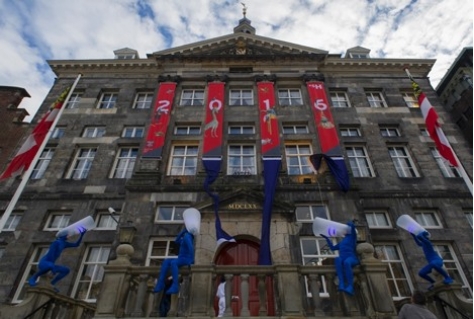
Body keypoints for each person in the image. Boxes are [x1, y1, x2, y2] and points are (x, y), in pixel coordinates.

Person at [320, 220, 359, 295]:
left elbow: (352, 227)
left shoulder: (352, 237)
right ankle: (341, 283)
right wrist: (327, 238)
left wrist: (349, 224)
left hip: (351, 257)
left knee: (347, 263)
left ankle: (350, 286)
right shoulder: (342, 242)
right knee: (337, 259)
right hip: (343, 257)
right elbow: (332, 248)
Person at [153, 228, 195, 295]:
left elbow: (191, 248)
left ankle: (175, 285)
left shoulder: (187, 236)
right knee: (166, 261)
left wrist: (192, 260)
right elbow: (176, 240)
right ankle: (160, 283)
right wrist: (182, 232)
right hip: (181, 258)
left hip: (187, 258)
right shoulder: (184, 237)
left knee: (173, 263)